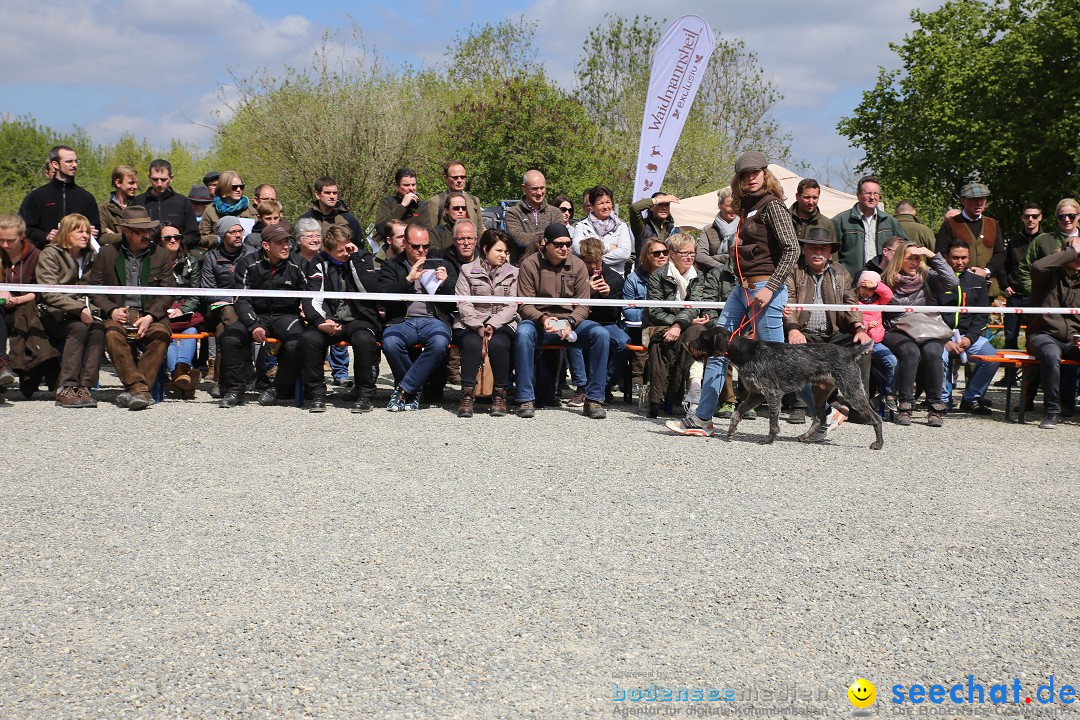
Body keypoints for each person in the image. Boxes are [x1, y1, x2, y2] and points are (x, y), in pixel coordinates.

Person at [670, 151, 799, 436]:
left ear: (765, 174)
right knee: (717, 346)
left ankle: (826, 412)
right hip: (742, 289)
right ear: (738, 180)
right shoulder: (748, 209)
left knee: (784, 362)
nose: (750, 178)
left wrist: (771, 286)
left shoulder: (773, 207)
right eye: (744, 174)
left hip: (766, 289)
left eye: (755, 172)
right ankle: (703, 418)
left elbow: (793, 250)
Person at [514, 223, 610, 419]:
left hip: (570, 323)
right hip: (539, 323)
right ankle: (525, 399)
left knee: (601, 334)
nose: (564, 248)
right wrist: (543, 319)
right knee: (523, 333)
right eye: (558, 244)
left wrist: (570, 322)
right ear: (545, 244)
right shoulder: (530, 264)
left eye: (568, 244)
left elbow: (584, 304)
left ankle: (593, 399)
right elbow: (524, 304)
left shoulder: (578, 265)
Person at [782, 227, 872, 429]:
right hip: (804, 331)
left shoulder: (841, 272)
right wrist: (793, 328)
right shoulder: (793, 270)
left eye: (823, 248)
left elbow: (851, 300)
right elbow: (789, 300)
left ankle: (858, 406)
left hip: (834, 334)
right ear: (804, 249)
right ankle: (799, 405)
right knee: (792, 350)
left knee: (862, 347)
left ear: (830, 252)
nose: (818, 252)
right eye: (813, 247)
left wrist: (859, 328)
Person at [88, 206, 175, 411]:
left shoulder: (161, 255)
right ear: (126, 232)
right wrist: (111, 310)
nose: (147, 235)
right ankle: (140, 390)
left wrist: (151, 316)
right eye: (141, 231)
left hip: (150, 315)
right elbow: (94, 290)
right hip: (118, 313)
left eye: (149, 230)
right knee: (111, 334)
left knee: (161, 334)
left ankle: (135, 389)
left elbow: (168, 292)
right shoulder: (107, 254)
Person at [220, 223, 306, 408]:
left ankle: (277, 389)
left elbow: (310, 294)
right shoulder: (247, 263)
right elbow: (241, 299)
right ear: (266, 246)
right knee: (230, 338)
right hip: (256, 314)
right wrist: (254, 325)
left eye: (287, 242)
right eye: (280, 242)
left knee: (297, 342)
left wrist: (305, 309)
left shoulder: (299, 263)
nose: (286, 246)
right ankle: (235, 389)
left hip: (287, 315)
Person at [299, 227, 383, 413]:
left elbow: (369, 290)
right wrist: (321, 321)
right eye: (341, 251)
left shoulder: (362, 257)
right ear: (328, 251)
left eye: (348, 247)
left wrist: (354, 260)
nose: (346, 252)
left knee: (364, 340)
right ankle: (317, 393)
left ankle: (365, 393)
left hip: (360, 318)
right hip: (330, 319)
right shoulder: (318, 262)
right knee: (309, 338)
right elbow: (312, 296)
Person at [378, 223, 457, 411]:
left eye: (426, 246)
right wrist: (408, 280)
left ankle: (405, 389)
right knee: (390, 343)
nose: (421, 251)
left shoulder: (442, 264)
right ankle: (414, 389)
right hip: (402, 321)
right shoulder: (391, 266)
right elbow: (384, 298)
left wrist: (445, 284)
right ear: (405, 243)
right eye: (416, 246)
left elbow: (455, 302)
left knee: (439, 343)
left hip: (434, 320)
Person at [880, 241, 958, 427]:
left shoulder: (928, 276)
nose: (914, 262)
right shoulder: (886, 280)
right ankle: (905, 406)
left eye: (918, 258)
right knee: (910, 352)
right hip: (897, 327)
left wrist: (933, 256)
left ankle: (935, 407)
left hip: (927, 326)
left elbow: (953, 282)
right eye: (910, 258)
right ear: (900, 259)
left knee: (933, 352)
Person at [34, 214, 105, 407]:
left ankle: (84, 387)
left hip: (85, 311)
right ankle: (66, 387)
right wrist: (79, 308)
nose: (85, 236)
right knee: (78, 329)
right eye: (79, 231)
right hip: (53, 311)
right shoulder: (49, 254)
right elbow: (48, 292)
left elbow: (97, 288)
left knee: (98, 331)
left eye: (88, 232)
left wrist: (95, 310)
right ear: (66, 232)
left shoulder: (92, 254)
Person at [454, 229, 518, 417]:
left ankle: (500, 395)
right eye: (499, 251)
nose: (503, 256)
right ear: (485, 249)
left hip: (502, 322)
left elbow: (512, 305)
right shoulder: (466, 270)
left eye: (506, 252)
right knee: (471, 344)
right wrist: (479, 326)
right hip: (470, 322)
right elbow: (463, 302)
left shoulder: (513, 272)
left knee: (499, 344)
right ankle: (467, 395)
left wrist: (493, 325)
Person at [644, 233, 709, 419]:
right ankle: (664, 398)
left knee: (699, 331)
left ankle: (677, 395)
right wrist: (680, 322)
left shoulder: (698, 277)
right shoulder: (658, 276)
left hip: (684, 327)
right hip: (658, 325)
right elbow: (655, 311)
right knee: (661, 343)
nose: (690, 257)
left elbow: (693, 305)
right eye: (684, 253)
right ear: (672, 254)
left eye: (693, 253)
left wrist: (680, 324)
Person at [566, 237, 630, 404]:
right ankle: (581, 386)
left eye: (597, 261)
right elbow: (567, 308)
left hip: (607, 323)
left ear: (602, 256)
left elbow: (615, 314)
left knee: (624, 343)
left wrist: (606, 296)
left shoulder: (615, 278)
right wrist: (587, 292)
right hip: (579, 322)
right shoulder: (574, 276)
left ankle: (604, 385)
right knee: (570, 336)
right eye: (589, 262)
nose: (594, 266)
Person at [936, 239, 997, 414]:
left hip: (969, 336)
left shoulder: (977, 281)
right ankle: (941, 401)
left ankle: (971, 398)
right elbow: (931, 314)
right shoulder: (935, 279)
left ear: (969, 258)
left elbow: (981, 316)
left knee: (992, 359)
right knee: (939, 357)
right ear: (946, 258)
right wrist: (945, 338)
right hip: (941, 336)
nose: (960, 262)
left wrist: (970, 338)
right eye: (955, 258)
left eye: (964, 257)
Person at [1027, 236, 1080, 428]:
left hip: (1075, 338)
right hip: (1043, 334)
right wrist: (1072, 251)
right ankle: (1051, 410)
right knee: (1051, 355)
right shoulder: (1047, 274)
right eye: (1074, 252)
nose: (1077, 257)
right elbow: (1036, 268)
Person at [19, 145, 101, 249]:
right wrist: (45, 236)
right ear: (55, 164)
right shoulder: (37, 196)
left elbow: (97, 229)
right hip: (46, 256)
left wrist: (92, 233)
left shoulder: (86, 197)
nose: (74, 165)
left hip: (78, 259)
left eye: (76, 161)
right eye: (69, 161)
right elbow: (25, 228)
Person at [201, 216, 248, 395]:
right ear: (223, 235)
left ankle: (222, 383)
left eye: (240, 231)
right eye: (232, 232)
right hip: (216, 308)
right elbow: (207, 290)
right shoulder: (211, 257)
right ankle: (245, 364)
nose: (238, 235)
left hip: (245, 307)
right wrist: (230, 301)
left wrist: (237, 301)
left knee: (224, 332)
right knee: (227, 312)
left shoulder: (251, 253)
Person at [935, 182, 1006, 298]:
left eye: (982, 199)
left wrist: (987, 271)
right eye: (973, 199)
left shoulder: (993, 224)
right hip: (958, 288)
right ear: (963, 201)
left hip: (987, 288)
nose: (978, 203)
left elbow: (1000, 253)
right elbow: (940, 254)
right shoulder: (950, 224)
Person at [998, 203, 1043, 385]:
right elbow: (1004, 265)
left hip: (1038, 296)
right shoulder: (1014, 241)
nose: (1030, 219)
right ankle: (1009, 376)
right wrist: (1004, 285)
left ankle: (1035, 379)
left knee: (1037, 336)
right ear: (1022, 218)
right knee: (1010, 336)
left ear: (1040, 217)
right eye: (1027, 216)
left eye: (1034, 216)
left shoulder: (1047, 240)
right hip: (1015, 294)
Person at [158, 222, 202, 399]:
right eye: (167, 238)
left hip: (185, 311)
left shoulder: (191, 261)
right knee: (164, 332)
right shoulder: (154, 261)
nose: (172, 240)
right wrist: (166, 308)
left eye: (176, 237)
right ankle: (183, 376)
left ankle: (179, 372)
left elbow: (196, 293)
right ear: (159, 241)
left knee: (190, 331)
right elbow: (150, 293)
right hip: (161, 309)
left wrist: (183, 309)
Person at [834, 175, 908, 279]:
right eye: (868, 193)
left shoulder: (889, 221)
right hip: (851, 282)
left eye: (876, 193)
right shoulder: (841, 221)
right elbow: (832, 254)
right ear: (858, 195)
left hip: (884, 280)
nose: (872, 197)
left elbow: (905, 247)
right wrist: (840, 276)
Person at [622, 238, 670, 400]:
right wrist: (652, 315)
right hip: (642, 326)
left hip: (668, 325)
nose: (662, 256)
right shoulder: (633, 279)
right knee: (646, 332)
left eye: (665, 252)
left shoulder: (673, 277)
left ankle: (663, 385)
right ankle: (637, 378)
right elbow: (628, 311)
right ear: (646, 256)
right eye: (657, 253)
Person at [0, 214, 43, 388]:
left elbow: (40, 291)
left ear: (22, 237)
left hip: (26, 306)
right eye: (1, 240)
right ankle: (2, 363)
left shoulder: (37, 256)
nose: (5, 245)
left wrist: (17, 299)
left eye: (10, 240)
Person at [854, 270, 898, 412]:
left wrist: (876, 285)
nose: (866, 291)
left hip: (877, 342)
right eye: (863, 287)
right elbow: (850, 319)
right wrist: (865, 326)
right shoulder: (853, 300)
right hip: (860, 341)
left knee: (892, 362)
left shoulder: (879, 301)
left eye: (870, 289)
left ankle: (888, 394)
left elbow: (888, 294)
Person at [132, 159, 199, 249]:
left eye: (163, 179)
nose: (159, 184)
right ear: (149, 178)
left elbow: (193, 235)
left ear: (171, 178)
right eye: (155, 179)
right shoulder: (138, 202)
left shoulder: (182, 202)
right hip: (146, 255)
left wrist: (175, 244)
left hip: (177, 257)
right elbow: (131, 233)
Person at [1017, 198, 1079, 295]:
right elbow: (1024, 270)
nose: (1066, 219)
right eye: (1062, 216)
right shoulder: (1042, 240)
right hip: (1051, 303)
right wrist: (1036, 293)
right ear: (1056, 217)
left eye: (1071, 216)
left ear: (1078, 216)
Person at [571, 185, 632, 277]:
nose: (605, 206)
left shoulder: (621, 226)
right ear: (592, 206)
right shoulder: (582, 226)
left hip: (615, 277)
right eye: (601, 203)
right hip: (588, 276)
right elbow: (577, 249)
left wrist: (595, 261)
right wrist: (608, 247)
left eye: (608, 202)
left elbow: (625, 253)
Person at [504, 170, 563, 263]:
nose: (539, 192)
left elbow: (559, 238)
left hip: (551, 267)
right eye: (535, 188)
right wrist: (542, 238)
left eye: (542, 188)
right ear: (524, 188)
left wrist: (539, 240)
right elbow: (519, 239)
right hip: (521, 268)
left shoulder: (556, 213)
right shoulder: (513, 213)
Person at [418, 161, 486, 234]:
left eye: (463, 177)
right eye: (455, 177)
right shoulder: (435, 202)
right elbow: (430, 232)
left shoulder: (474, 200)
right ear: (446, 178)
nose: (459, 180)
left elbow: (480, 230)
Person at [198, 171, 256, 249]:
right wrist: (220, 239)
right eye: (234, 187)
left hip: (246, 254)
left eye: (241, 187)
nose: (238, 190)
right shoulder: (211, 210)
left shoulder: (250, 210)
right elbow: (201, 238)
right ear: (224, 188)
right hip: (219, 254)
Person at [298, 176, 363, 243]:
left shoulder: (349, 219)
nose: (332, 196)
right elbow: (297, 248)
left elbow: (360, 248)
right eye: (327, 193)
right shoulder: (306, 219)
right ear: (317, 195)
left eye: (335, 193)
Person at [696, 188, 737, 274]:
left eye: (735, 205)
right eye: (729, 206)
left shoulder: (744, 226)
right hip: (715, 276)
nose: (733, 209)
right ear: (720, 205)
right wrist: (723, 268)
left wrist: (715, 258)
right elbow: (700, 256)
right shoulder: (708, 230)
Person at [98, 165, 139, 246]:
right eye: (131, 183)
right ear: (118, 183)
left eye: (136, 183)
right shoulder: (104, 209)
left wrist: (113, 236)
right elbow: (102, 238)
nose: (135, 186)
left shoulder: (139, 206)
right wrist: (129, 236)